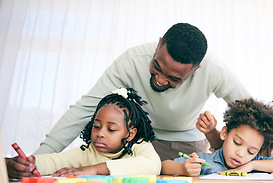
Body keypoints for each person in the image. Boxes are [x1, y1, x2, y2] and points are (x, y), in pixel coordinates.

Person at [32, 23, 251, 161]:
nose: (160, 79)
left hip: (188, 143)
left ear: (196, 70)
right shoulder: (131, 60)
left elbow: (252, 112)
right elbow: (86, 108)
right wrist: (39, 158)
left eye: (174, 79)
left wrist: (261, 161)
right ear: (158, 46)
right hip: (141, 140)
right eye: (157, 66)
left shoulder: (215, 71)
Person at [6, 88, 161, 178]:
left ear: (131, 134)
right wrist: (31, 163)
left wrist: (93, 169)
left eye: (111, 129)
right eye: (96, 126)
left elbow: (153, 165)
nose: (100, 133)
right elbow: (56, 161)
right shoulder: (88, 152)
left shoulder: (140, 146)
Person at [161, 98, 273, 177]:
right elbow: (163, 166)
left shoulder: (256, 164)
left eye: (251, 151)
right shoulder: (204, 161)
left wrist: (252, 165)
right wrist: (182, 169)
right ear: (225, 133)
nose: (241, 153)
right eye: (237, 143)